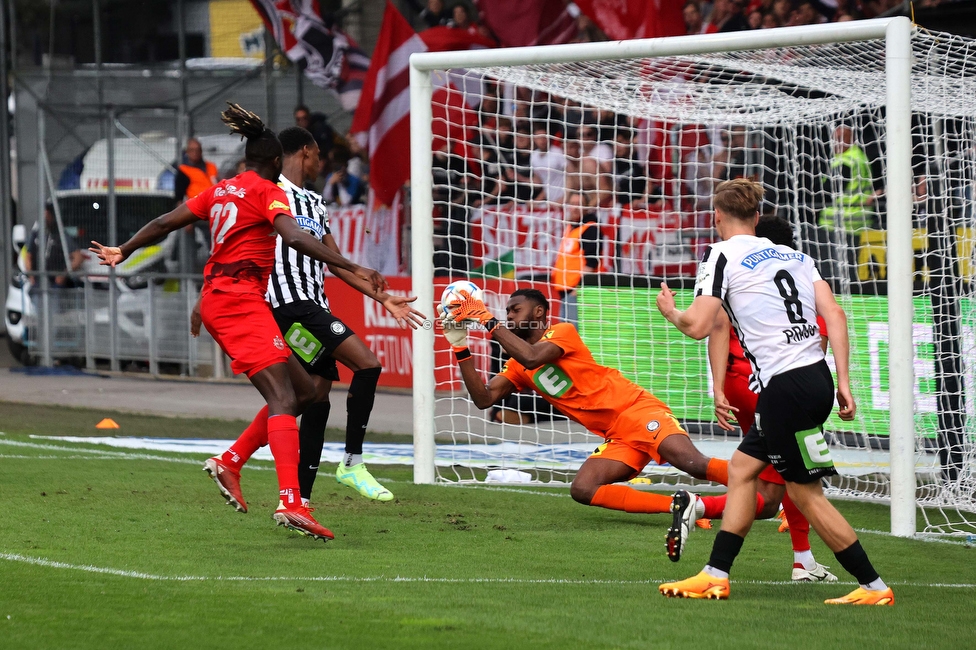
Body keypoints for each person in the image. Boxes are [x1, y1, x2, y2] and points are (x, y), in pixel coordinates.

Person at [89, 103, 386, 543]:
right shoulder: (268, 192)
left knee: (305, 391)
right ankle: (291, 502)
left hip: (229, 298)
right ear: (274, 163)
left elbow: (163, 222)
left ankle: (231, 460)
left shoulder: (220, 190)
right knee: (285, 395)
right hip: (238, 301)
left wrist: (124, 249)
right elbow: (297, 237)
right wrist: (352, 266)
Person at [655, 178, 893, 605]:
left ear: (717, 217)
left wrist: (671, 310)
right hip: (813, 378)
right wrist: (844, 381)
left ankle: (874, 586)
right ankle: (715, 574)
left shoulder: (720, 253)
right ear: (758, 217)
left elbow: (697, 326)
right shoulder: (796, 255)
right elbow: (834, 314)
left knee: (805, 493)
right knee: (744, 470)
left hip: (785, 387)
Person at [197, 126, 425, 508]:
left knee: (313, 396)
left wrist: (383, 299)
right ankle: (352, 462)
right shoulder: (271, 192)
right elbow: (239, 243)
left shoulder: (315, 203)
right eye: (318, 155)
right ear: (306, 152)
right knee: (366, 365)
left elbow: (337, 266)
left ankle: (291, 496)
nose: (322, 162)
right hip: (288, 305)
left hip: (313, 305)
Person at [440, 288, 778, 529]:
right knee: (583, 489)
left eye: (515, 309)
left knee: (691, 463)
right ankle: (684, 507)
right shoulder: (516, 367)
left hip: (637, 410)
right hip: (617, 433)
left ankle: (773, 490)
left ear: (539, 312)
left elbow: (531, 356)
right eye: (507, 311)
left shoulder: (562, 332)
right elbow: (484, 399)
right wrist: (460, 348)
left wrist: (487, 319)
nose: (509, 315)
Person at [690, 214, 837, 582]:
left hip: (742, 383)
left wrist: (719, 386)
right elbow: (819, 335)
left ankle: (717, 558)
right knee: (795, 478)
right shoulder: (795, 270)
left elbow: (717, 327)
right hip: (779, 386)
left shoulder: (732, 267)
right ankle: (806, 560)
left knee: (764, 479)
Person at [551, 193, 603, 327]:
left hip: (577, 291)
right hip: (565, 290)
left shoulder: (590, 229)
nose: (574, 207)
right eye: (572, 203)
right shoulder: (572, 228)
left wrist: (579, 287)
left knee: (574, 331)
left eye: (578, 204)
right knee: (565, 330)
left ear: (586, 207)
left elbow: (592, 262)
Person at [819, 124, 878, 233]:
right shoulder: (860, 157)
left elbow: (829, 191)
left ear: (852, 140)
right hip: (860, 220)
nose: (836, 143)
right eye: (834, 139)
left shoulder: (845, 162)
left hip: (839, 223)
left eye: (841, 138)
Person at [25, 203, 84, 288]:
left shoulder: (61, 236)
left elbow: (78, 257)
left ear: (52, 216)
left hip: (55, 283)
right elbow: (28, 256)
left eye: (46, 215)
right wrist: (31, 275)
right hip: (37, 282)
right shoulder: (35, 234)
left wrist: (64, 274)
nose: (44, 219)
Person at [174, 137, 217, 203]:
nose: (195, 153)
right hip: (196, 206)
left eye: (198, 150)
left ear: (201, 151)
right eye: (192, 150)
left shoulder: (211, 166)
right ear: (187, 152)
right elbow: (179, 196)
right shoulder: (183, 170)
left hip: (213, 202)